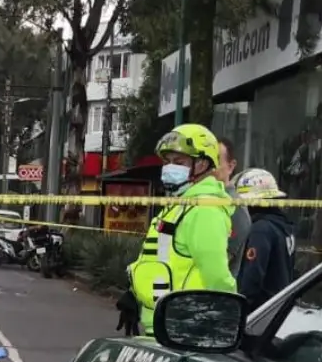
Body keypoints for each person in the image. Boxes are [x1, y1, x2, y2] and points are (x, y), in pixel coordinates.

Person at [127, 124, 237, 333]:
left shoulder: (205, 209)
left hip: (186, 330)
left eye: (179, 162)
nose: (170, 168)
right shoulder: (180, 206)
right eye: (167, 162)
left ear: (203, 164)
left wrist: (229, 318)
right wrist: (135, 294)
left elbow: (217, 276)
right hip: (162, 326)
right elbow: (162, 260)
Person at [234, 168, 296, 309]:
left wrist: (239, 308)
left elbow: (252, 276)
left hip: (258, 312)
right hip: (276, 307)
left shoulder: (261, 229)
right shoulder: (284, 225)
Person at [216, 137, 252, 275]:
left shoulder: (235, 207)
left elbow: (220, 261)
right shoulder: (204, 199)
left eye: (216, 161)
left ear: (231, 166)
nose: (210, 168)